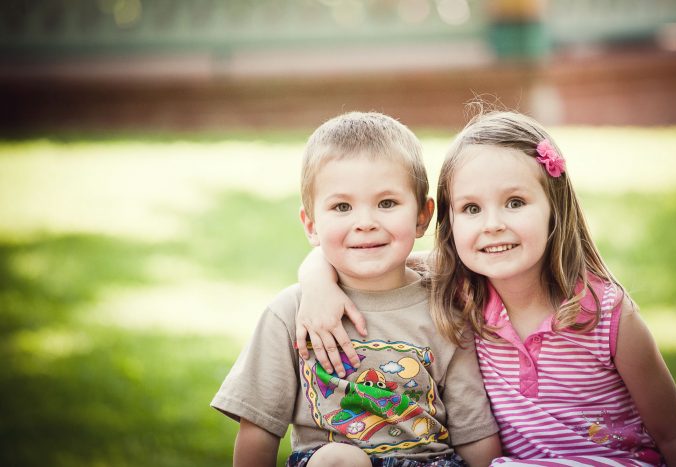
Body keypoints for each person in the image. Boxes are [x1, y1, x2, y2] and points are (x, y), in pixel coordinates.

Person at [294, 110, 676, 465]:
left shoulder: (607, 313)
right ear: (449, 223)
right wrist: (316, 278)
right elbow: (369, 262)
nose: (492, 224)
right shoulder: (456, 290)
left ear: (553, 208)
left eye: (515, 202)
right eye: (472, 208)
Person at [211, 111, 501, 467]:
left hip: (431, 462)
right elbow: (258, 428)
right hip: (333, 462)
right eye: (342, 206)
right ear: (312, 225)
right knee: (339, 459)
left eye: (387, 203)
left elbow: (474, 431)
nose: (365, 223)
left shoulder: (444, 305)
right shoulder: (291, 312)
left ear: (423, 216)